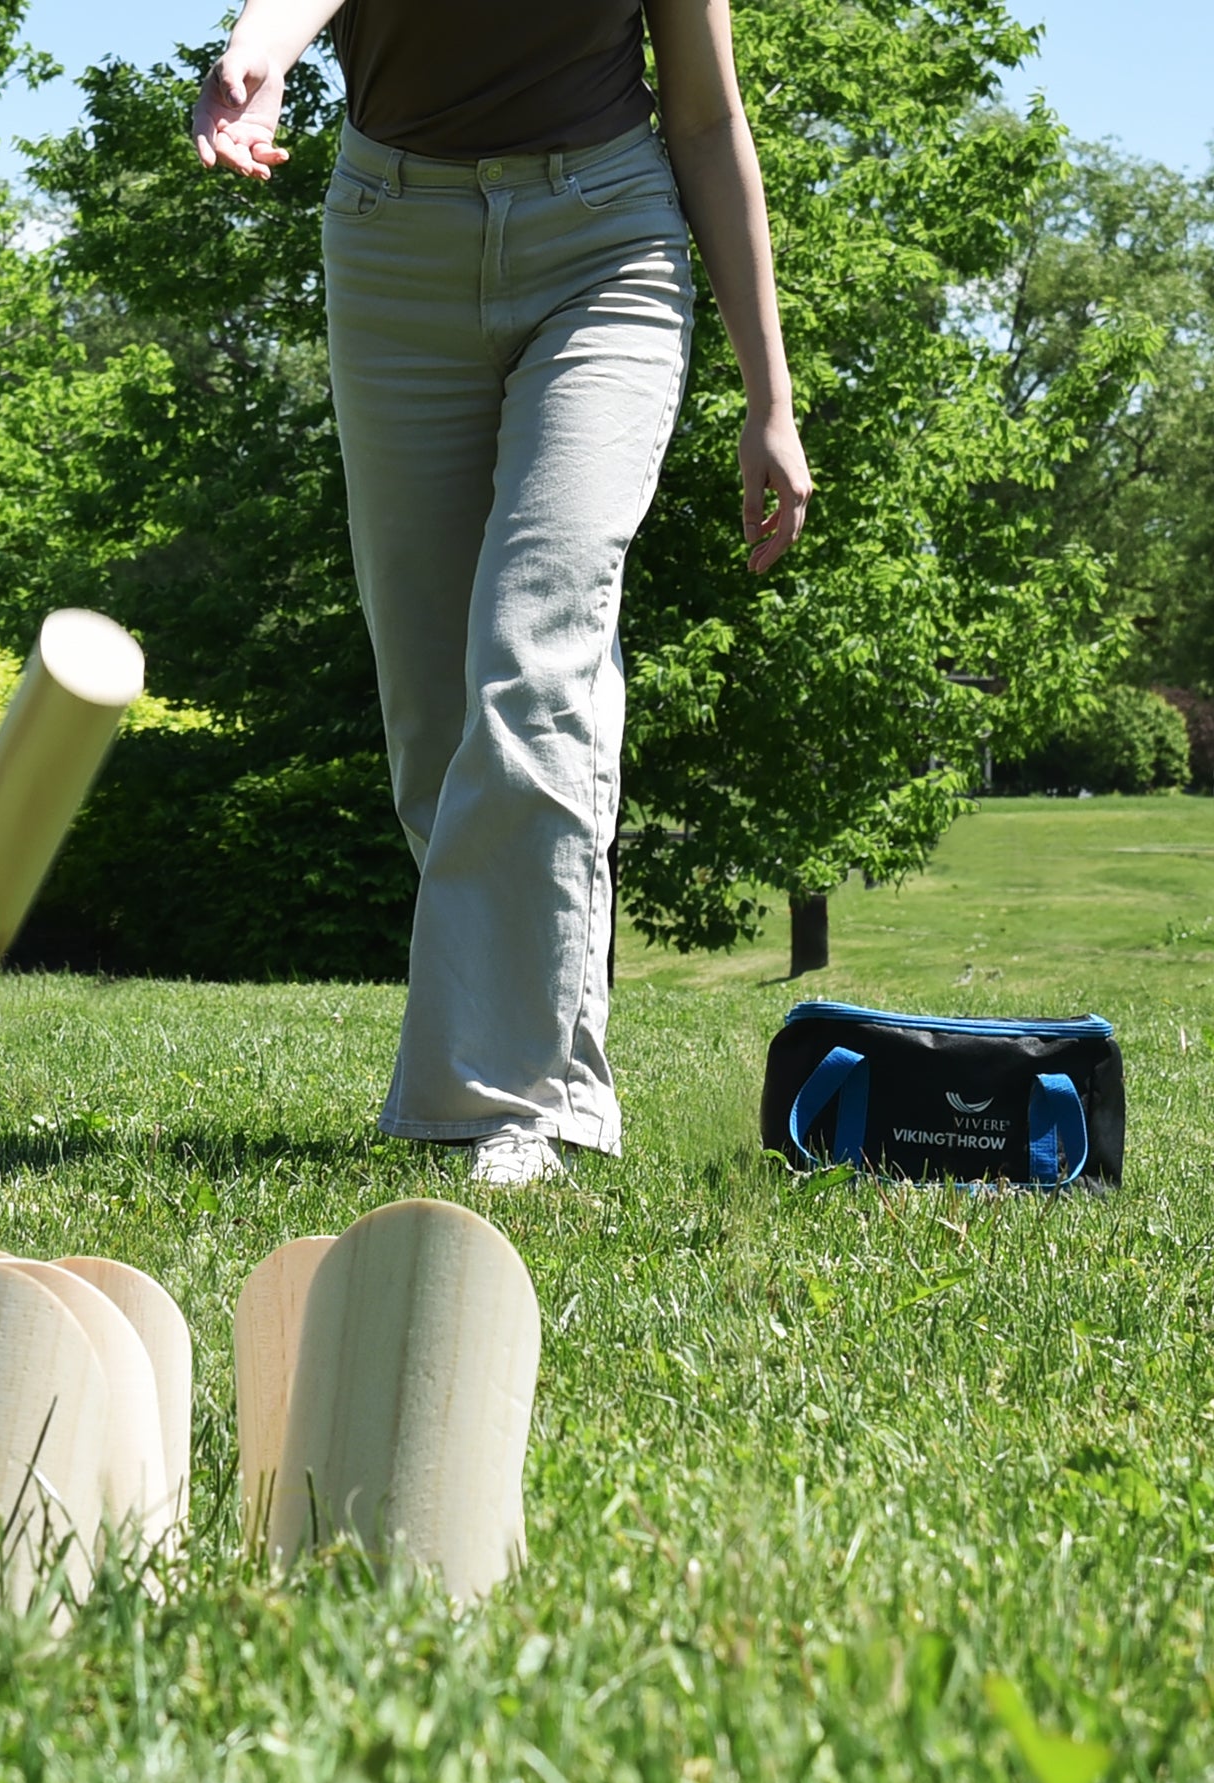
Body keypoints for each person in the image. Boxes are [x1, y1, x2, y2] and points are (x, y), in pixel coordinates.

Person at [194, 0, 812, 1185]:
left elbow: (701, 115)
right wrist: (256, 57)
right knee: (435, 720)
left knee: (536, 655)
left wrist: (767, 399)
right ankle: (497, 1074)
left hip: (607, 247)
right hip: (391, 242)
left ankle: (520, 1101)